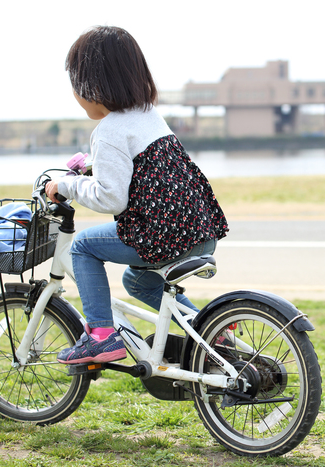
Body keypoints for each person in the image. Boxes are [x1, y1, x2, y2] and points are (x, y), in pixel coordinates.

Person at [49, 26, 228, 365]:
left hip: (160, 234)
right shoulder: (148, 115)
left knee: (84, 247)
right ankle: (211, 331)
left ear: (91, 85)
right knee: (138, 281)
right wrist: (91, 165)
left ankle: (101, 336)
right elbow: (144, 171)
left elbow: (110, 198)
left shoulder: (108, 131)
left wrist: (67, 184)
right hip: (198, 228)